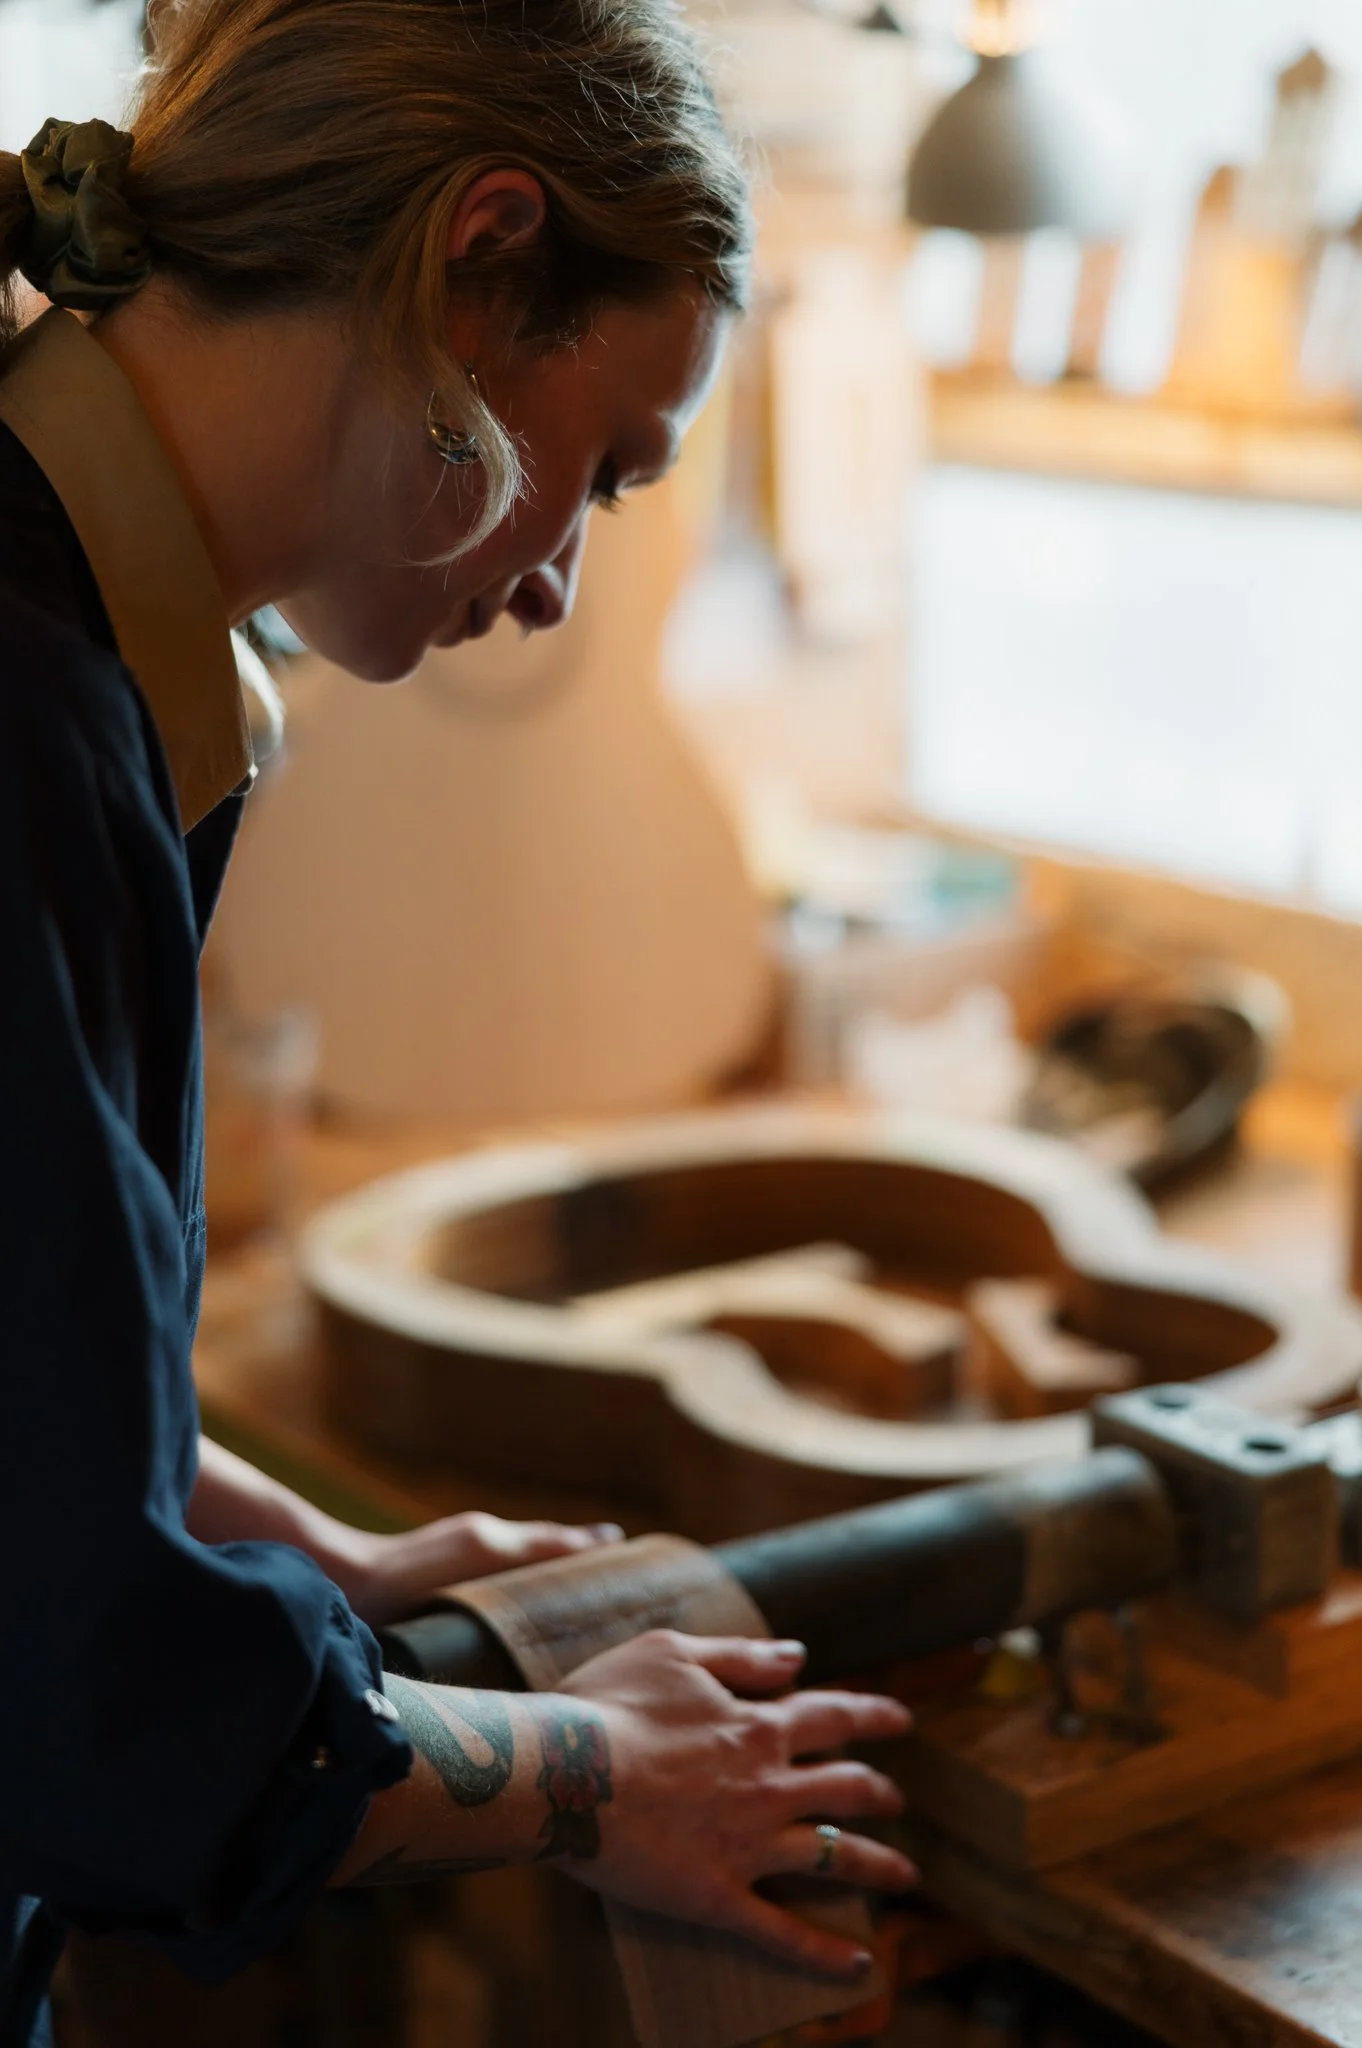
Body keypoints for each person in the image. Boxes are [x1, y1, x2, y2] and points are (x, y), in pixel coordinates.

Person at [0, 2, 917, 2040]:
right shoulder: (23, 717)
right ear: (477, 262)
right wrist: (596, 1770)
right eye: (605, 468)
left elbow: (29, 1417)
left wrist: (326, 1556)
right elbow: (76, 1698)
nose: (565, 577)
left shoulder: (84, 636)